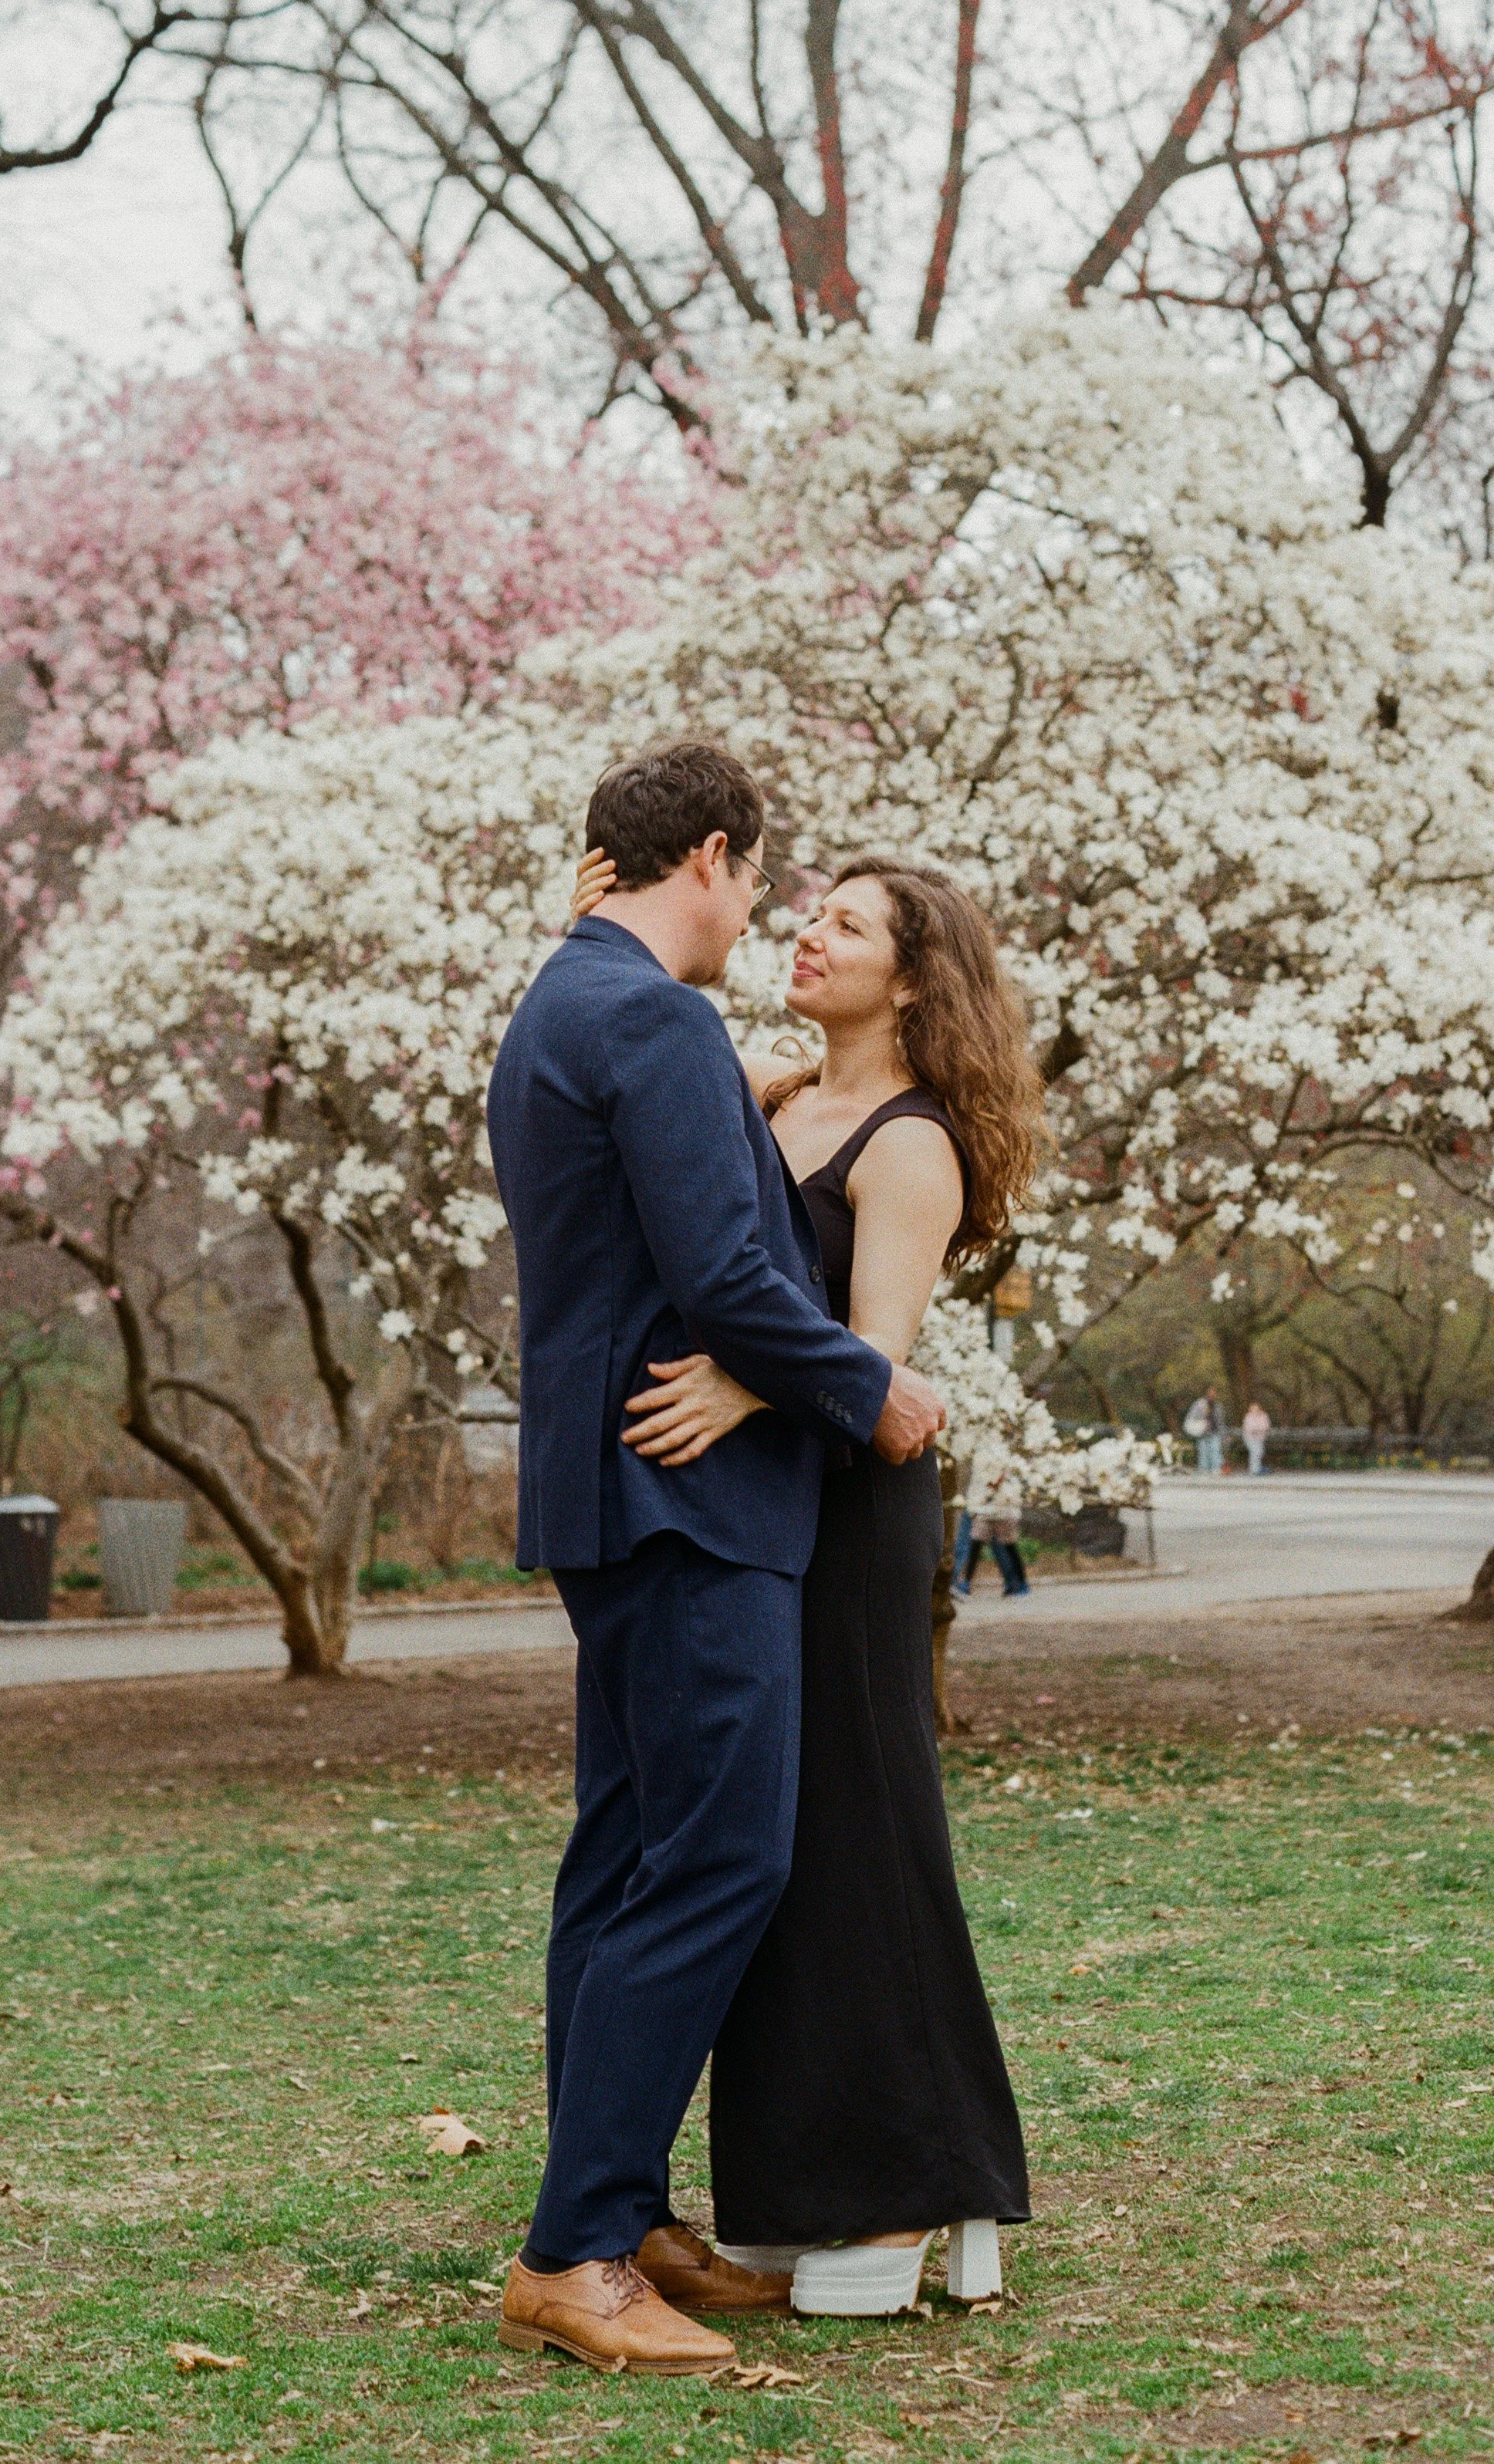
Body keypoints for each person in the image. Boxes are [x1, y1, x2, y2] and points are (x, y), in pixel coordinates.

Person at [487, 743, 946, 2376]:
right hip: (693, 1506)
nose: (760, 913)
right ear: (713, 854)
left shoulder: (567, 998)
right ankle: (579, 2251)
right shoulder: (655, 1017)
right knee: (720, 1860)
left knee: (620, 1858)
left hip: (608, 1501)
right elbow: (735, 1277)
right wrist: (873, 1390)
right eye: (759, 879)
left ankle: (618, 2207)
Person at [573, 841, 1036, 2320]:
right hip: (758, 1510)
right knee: (774, 1856)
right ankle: (801, 2186)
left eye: (848, 926)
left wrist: (743, 1385)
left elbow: (872, 1353)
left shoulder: (905, 1142)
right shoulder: (771, 1100)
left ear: (912, 976)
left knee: (859, 1831)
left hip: (848, 1511)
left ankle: (914, 2189)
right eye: (810, 913)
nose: (807, 936)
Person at [951, 1504, 1032, 1598]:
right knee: (993, 1544)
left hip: (986, 1504)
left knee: (973, 1543)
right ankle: (1014, 1584)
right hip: (991, 1505)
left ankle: (957, 1583)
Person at [1183, 1386, 1225, 1474]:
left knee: (1215, 1450)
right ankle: (1204, 1469)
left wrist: (1224, 1434)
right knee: (1203, 1452)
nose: (1212, 1394)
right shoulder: (1200, 1404)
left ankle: (1215, 1469)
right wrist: (1203, 1414)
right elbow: (1192, 1417)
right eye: (1210, 1392)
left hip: (1214, 1432)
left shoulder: (1218, 1406)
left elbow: (1220, 1422)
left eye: (1214, 1393)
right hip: (1202, 1432)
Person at [1242, 1399, 1271, 1477]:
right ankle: (1254, 1470)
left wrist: (1258, 1429)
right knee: (1255, 1452)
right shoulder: (1248, 1417)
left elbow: (1266, 1427)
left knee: (1260, 1452)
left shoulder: (1264, 1416)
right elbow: (1248, 1428)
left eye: (1256, 1408)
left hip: (1260, 1438)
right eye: (1253, 1408)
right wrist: (1258, 1429)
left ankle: (1257, 1469)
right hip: (1249, 1438)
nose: (1254, 1410)